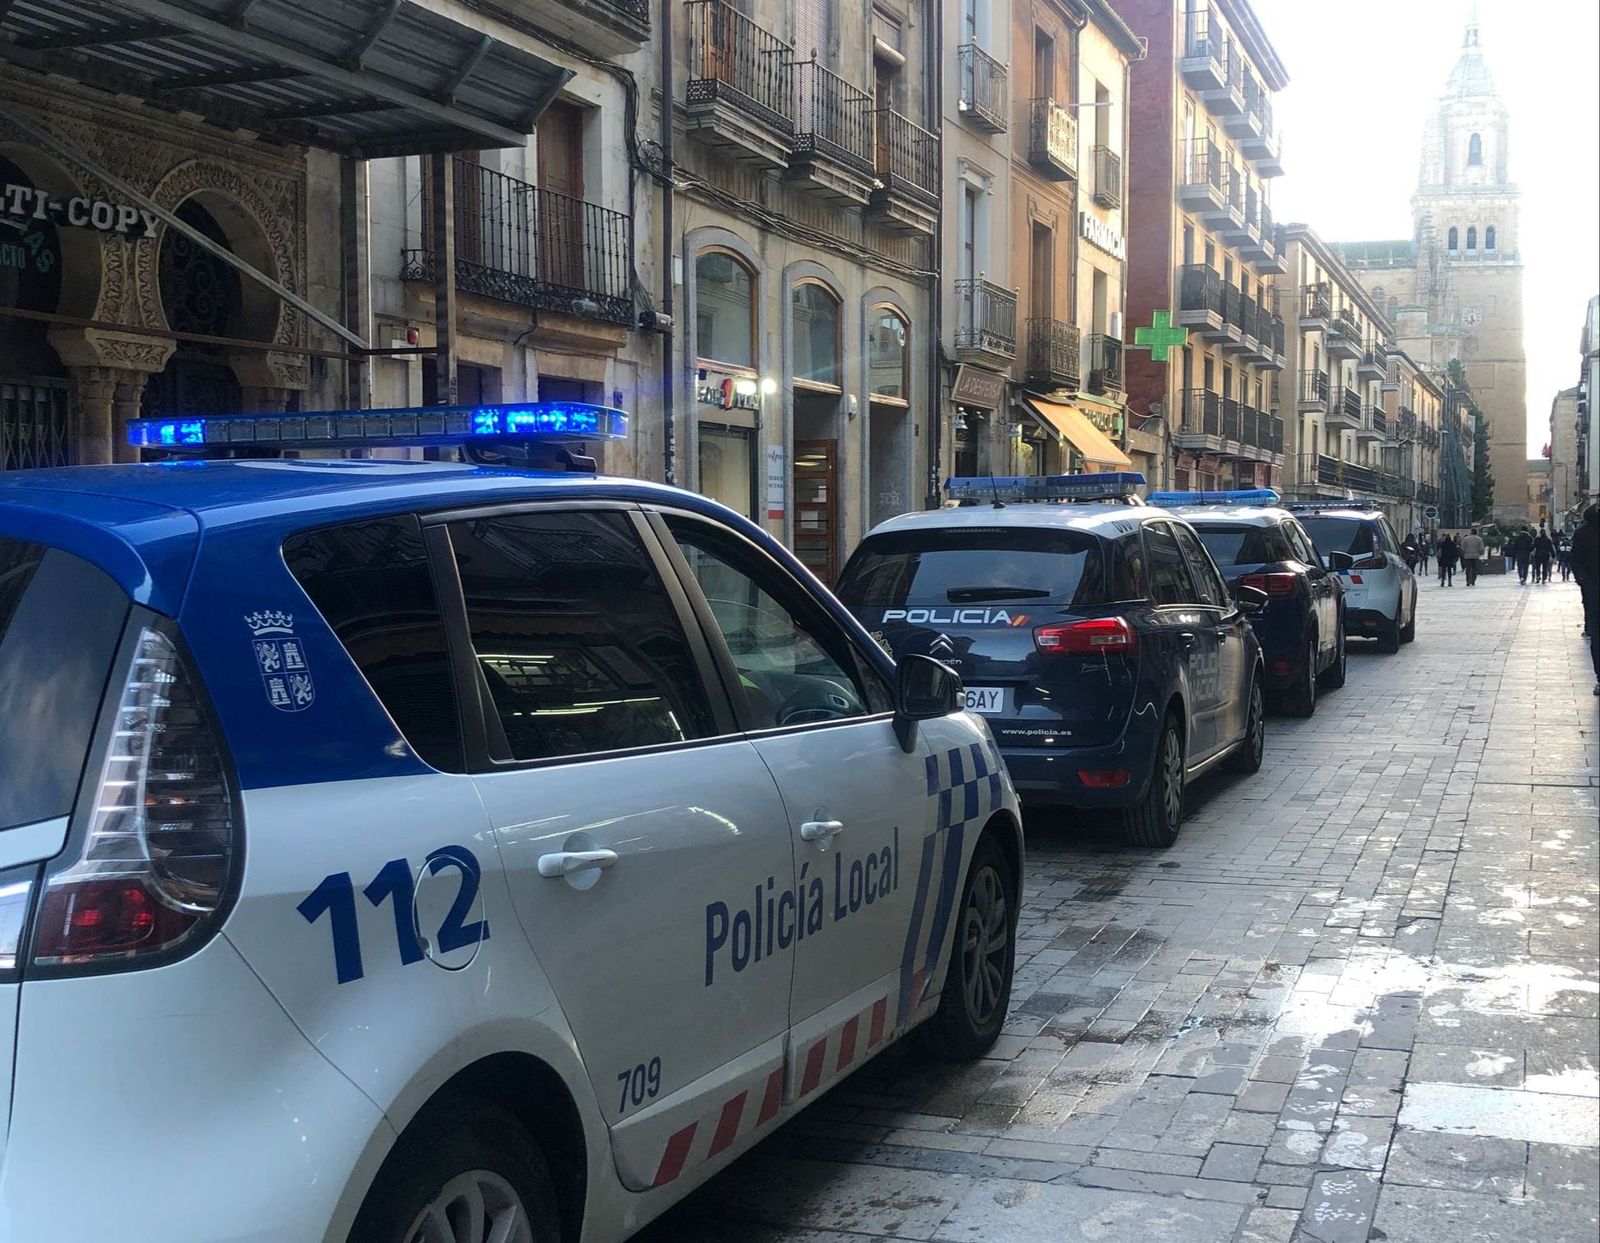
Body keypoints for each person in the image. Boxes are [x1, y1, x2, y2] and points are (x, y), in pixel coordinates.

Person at [1570, 505, 1600, 694]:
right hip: (1593, 588)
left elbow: (1575, 561)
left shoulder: (1582, 533)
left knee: (1597, 633)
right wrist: (1584, 582)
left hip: (1592, 590)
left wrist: (1584, 583)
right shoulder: (1584, 533)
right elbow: (1576, 561)